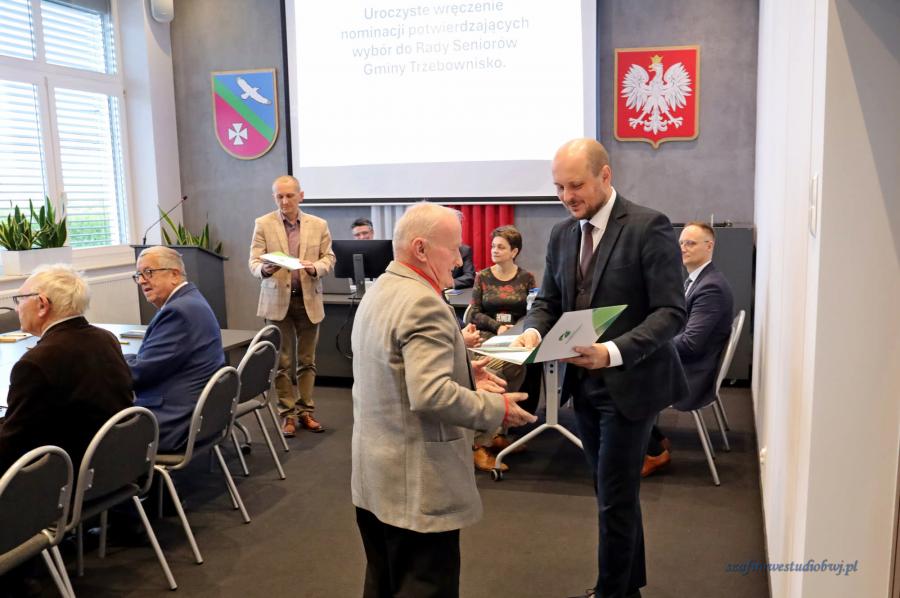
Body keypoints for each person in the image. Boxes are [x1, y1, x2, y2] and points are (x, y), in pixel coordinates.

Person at [515, 138, 687, 598]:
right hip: (583, 386)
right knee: (613, 493)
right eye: (558, 187)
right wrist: (533, 331)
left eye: (575, 185)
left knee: (614, 497)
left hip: (631, 384)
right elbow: (548, 302)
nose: (566, 196)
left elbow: (672, 313)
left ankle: (611, 591)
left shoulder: (649, 226)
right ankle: (628, 588)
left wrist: (611, 352)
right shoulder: (561, 234)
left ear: (605, 175)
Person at [350, 202, 536, 598]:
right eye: (452, 249)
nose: (457, 261)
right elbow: (431, 394)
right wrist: (497, 408)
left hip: (376, 478)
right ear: (420, 248)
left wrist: (465, 371)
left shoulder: (380, 289)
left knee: (382, 582)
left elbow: (395, 368)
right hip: (417, 487)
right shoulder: (423, 302)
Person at [0, 264, 133, 474]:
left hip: (64, 474)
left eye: (20, 300)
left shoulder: (36, 362)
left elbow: (13, 445)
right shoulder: (106, 338)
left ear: (42, 304)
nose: (17, 309)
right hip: (113, 465)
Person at [643, 222, 735, 477]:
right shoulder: (698, 280)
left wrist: (649, 344)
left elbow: (691, 344)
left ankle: (653, 452)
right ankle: (656, 439)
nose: (683, 248)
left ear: (709, 246)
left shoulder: (711, 287)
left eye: (691, 243)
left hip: (693, 374)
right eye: (681, 243)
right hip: (689, 365)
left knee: (621, 379)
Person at [249, 175, 336, 436]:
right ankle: (287, 414)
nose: (285, 201)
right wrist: (264, 270)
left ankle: (306, 411)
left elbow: (329, 258)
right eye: (280, 196)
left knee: (307, 361)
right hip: (277, 301)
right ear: (274, 197)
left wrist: (315, 268)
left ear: (301, 196)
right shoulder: (263, 223)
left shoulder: (318, 224)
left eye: (289, 195)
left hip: (308, 299)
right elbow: (253, 261)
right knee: (282, 362)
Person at [127, 246, 225, 453]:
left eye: (149, 272)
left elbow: (140, 374)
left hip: (172, 422)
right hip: (197, 413)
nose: (142, 281)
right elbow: (151, 361)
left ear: (174, 274)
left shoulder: (178, 312)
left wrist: (105, 362)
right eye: (139, 275)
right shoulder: (190, 300)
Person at [468, 225, 538, 471]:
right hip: (488, 338)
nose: (494, 251)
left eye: (500, 247)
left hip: (516, 339)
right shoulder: (483, 276)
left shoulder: (526, 278)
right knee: (494, 375)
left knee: (518, 369)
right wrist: (497, 327)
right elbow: (474, 313)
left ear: (514, 251)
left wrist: (519, 331)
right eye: (493, 246)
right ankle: (479, 444)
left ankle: (498, 432)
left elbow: (534, 312)